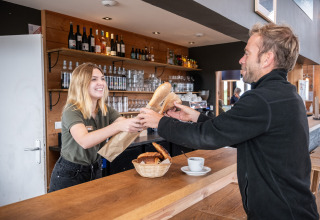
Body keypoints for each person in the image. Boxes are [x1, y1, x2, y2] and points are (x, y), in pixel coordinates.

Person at [138, 23, 319, 219]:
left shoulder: (261, 98)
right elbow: (236, 132)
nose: (241, 60)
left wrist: (159, 122)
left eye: (247, 53)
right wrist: (196, 117)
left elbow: (208, 137)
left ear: (267, 58)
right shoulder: (286, 95)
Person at [49, 63, 143, 192]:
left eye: (102, 78)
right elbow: (85, 141)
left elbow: (128, 125)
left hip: (95, 168)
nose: (101, 83)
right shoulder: (72, 110)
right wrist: (118, 126)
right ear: (81, 84)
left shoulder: (104, 109)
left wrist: (148, 119)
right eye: (94, 79)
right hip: (70, 174)